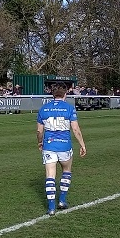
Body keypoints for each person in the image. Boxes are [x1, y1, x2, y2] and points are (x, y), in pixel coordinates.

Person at [36, 86, 86, 214]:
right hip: (64, 146)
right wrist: (82, 144)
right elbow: (75, 129)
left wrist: (40, 142)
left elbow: (39, 130)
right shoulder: (69, 108)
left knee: (50, 175)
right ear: (64, 96)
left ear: (53, 96)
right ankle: (62, 200)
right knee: (66, 170)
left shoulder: (43, 108)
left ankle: (51, 208)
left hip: (49, 146)